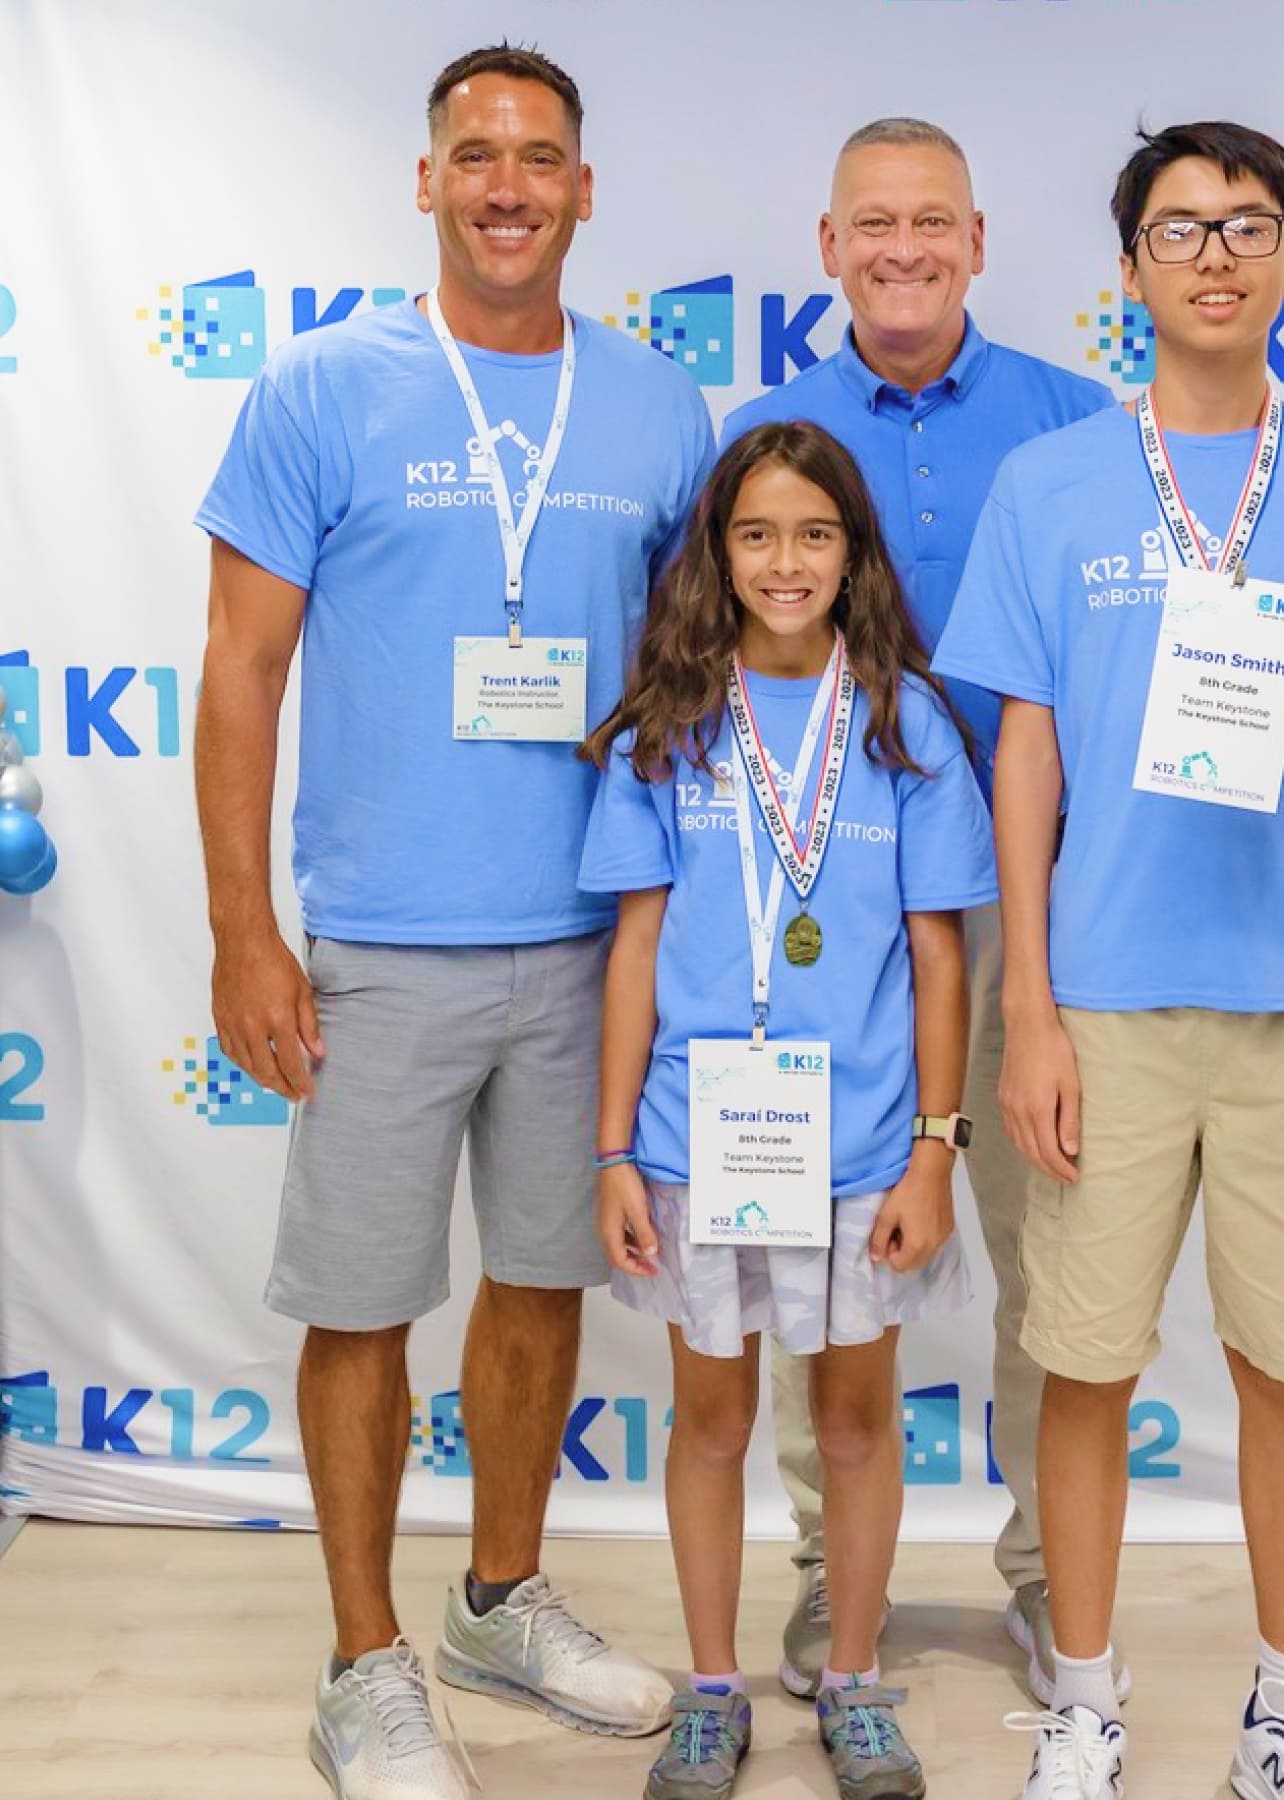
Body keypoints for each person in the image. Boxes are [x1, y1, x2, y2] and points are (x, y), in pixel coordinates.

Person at [193, 44, 713, 1800]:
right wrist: (243, 935)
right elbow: (242, 677)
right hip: (379, 945)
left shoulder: (657, 407)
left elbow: (679, 680)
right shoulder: (320, 390)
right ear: (426, 183)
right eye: (475, 155)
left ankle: (498, 1596)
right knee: (361, 1304)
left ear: (584, 191)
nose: (507, 185)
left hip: (582, 939)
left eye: (541, 158)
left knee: (541, 1286)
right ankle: (364, 1661)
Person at [934, 122, 1284, 1800]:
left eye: (1249, 226)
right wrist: (1031, 1008)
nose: (1215, 255)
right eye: (1178, 228)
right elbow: (1023, 759)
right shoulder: (1054, 481)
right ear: (1129, 267)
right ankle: (1082, 1698)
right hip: (1110, 1002)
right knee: (1084, 1365)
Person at [722, 116, 1121, 1707]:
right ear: (827, 246)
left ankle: (1046, 1578)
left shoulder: (1076, 422)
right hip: (815, 918)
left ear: (977, 239)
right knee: (820, 1264)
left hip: (1034, 909)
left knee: (1054, 1254)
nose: (903, 248)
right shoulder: (767, 427)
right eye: (872, 223)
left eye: (932, 222)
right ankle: (836, 1578)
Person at [580, 420, 995, 1800]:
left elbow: (942, 956)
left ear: (856, 552)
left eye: (816, 533)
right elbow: (634, 950)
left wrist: (937, 1149)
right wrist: (614, 1149)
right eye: (755, 533)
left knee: (859, 1423)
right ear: (717, 551)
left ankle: (857, 1680)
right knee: (709, 1420)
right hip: (702, 1135)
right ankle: (712, 1690)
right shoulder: (672, 726)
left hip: (869, 1142)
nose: (785, 560)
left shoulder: (905, 721)